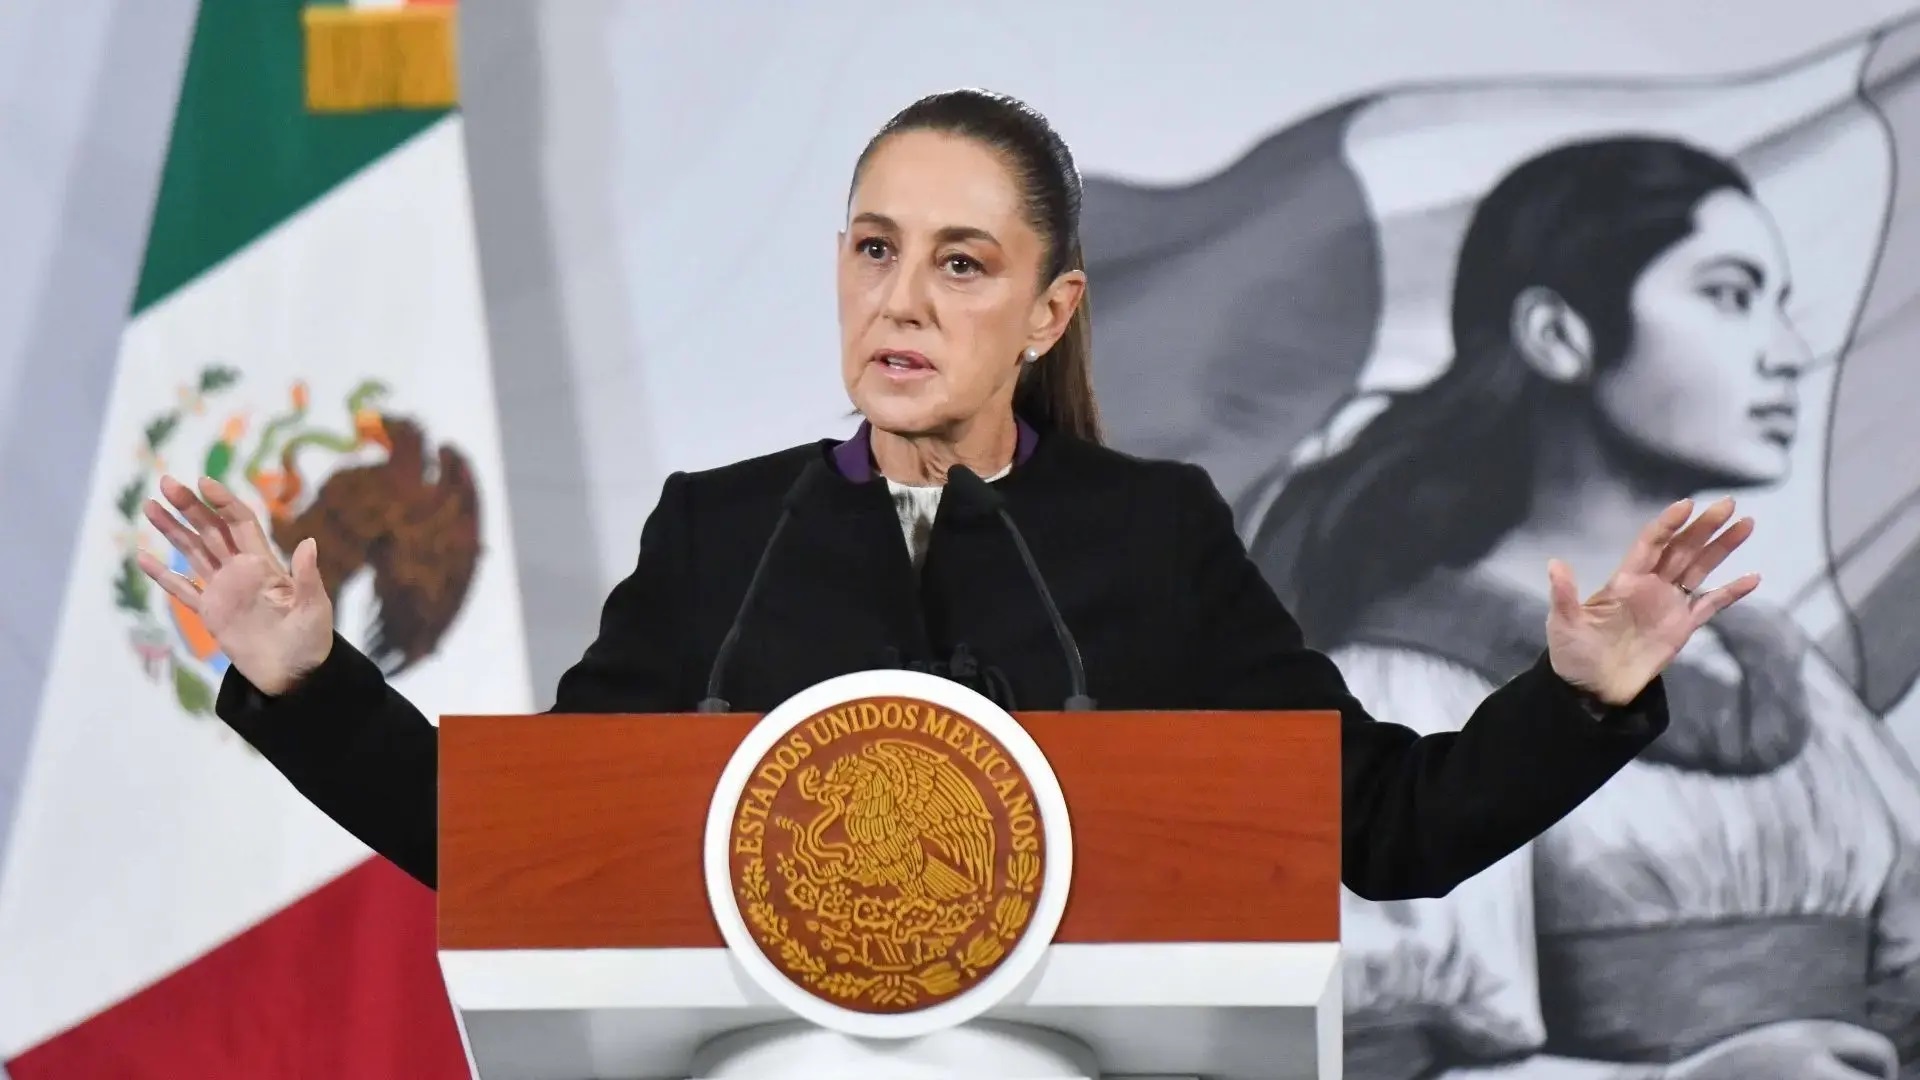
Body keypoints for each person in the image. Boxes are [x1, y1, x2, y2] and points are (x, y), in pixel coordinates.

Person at [136, 89, 1752, 903]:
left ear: (1047, 314)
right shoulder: (722, 533)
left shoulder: (1152, 535)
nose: (900, 300)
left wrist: (1583, 698)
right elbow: (537, 852)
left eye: (961, 263)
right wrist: (306, 679)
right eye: (873, 249)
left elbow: (1385, 829)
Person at [1244, 138, 1918, 1080]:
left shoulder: (1785, 677)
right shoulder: (1406, 687)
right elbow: (1364, 1055)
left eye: (1780, 304)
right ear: (1558, 334)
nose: (1789, 354)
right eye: (1729, 295)